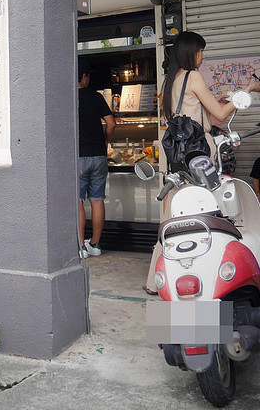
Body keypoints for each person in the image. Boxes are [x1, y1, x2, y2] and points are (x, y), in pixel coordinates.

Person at [144, 30, 260, 293]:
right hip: (199, 154)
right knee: (204, 212)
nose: (203, 56)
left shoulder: (171, 80)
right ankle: (206, 275)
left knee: (173, 216)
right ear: (190, 52)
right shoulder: (193, 76)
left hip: (178, 156)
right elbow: (220, 115)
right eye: (200, 51)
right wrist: (247, 90)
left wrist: (217, 104)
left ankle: (155, 280)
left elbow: (202, 114)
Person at [78, 62, 116, 258]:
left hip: (77, 156)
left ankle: (81, 247)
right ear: (84, 77)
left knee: (77, 201)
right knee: (97, 199)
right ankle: (95, 244)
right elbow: (111, 123)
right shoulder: (96, 97)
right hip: (99, 155)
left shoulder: (66, 99)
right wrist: (105, 139)